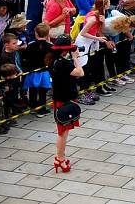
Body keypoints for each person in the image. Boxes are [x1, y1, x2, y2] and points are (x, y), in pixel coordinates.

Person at [47, 34, 84, 174]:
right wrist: (75, 58)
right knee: (63, 132)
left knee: (64, 131)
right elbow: (80, 73)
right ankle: (59, 158)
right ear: (65, 50)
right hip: (65, 99)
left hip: (60, 98)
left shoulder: (53, 61)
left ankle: (60, 157)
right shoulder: (64, 63)